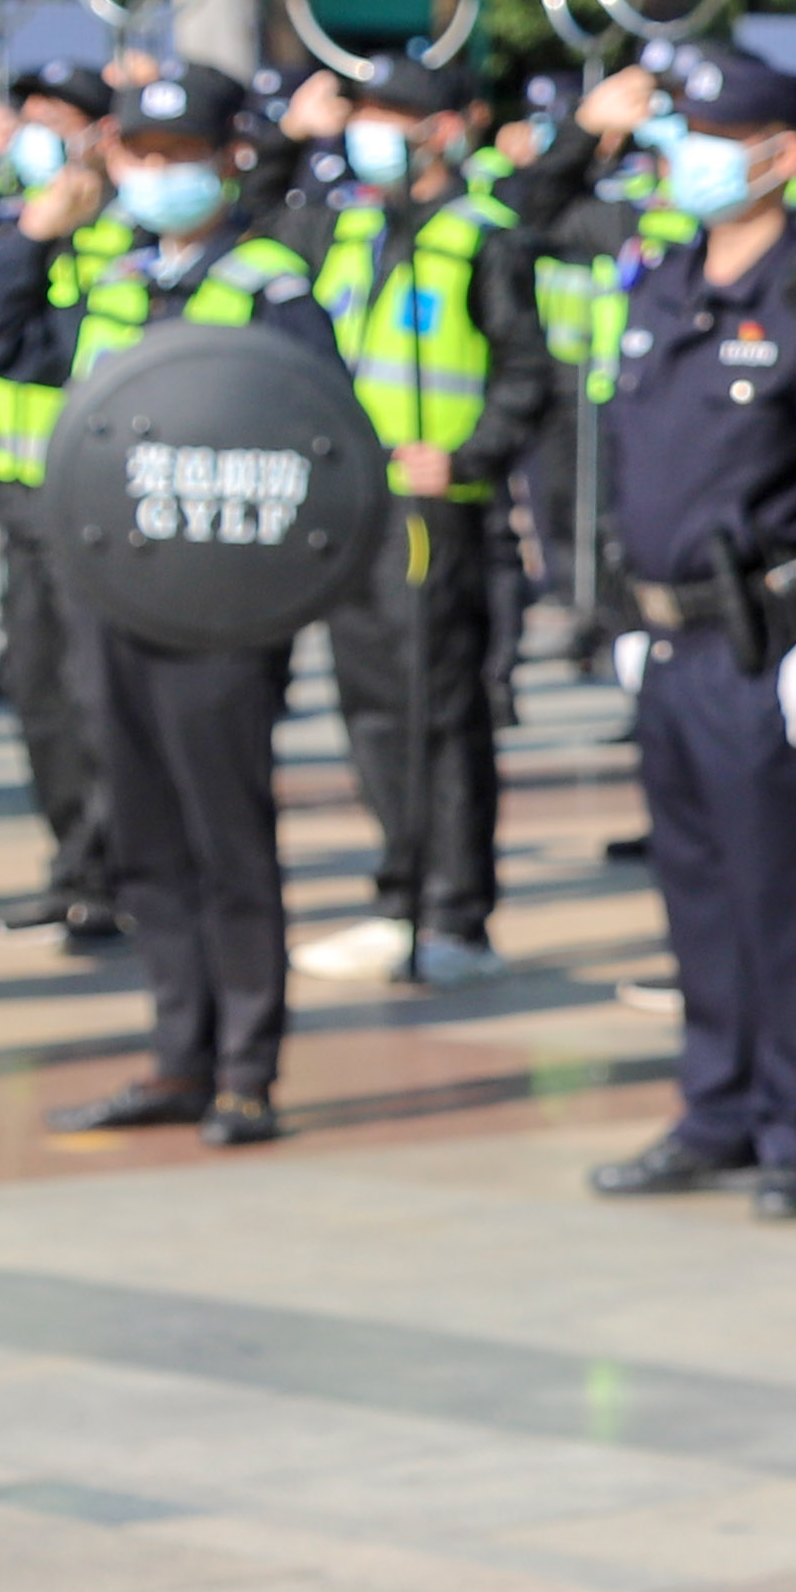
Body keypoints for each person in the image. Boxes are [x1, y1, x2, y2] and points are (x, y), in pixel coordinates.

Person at [579, 53, 796, 1217]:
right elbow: (626, 464)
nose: (695, 158)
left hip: (770, 641)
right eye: (687, 134)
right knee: (699, 889)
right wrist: (621, 612)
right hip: (671, 637)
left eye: (721, 137)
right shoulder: (663, 280)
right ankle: (715, 1109)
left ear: (784, 155)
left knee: (788, 894)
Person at [0, 66, 338, 1139]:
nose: (159, 174)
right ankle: (178, 1055)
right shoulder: (111, 278)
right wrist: (31, 236)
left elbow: (324, 440)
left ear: (228, 160)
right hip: (113, 596)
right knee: (142, 834)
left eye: (181, 156)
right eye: (141, 154)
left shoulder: (272, 286)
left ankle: (246, 1070)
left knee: (227, 835)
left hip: (222, 611)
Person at [291, 55, 551, 987]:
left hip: (435, 513)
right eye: (364, 113)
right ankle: (398, 891)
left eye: (395, 116)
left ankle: (454, 911)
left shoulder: (482, 237)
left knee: (437, 713)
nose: (373, 131)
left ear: (445, 130)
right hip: (354, 506)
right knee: (370, 708)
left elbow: (528, 372)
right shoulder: (348, 227)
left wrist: (470, 455)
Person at [0, 61, 128, 945]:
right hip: (22, 499)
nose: (35, 130)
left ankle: (113, 871)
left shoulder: (126, 241)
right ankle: (74, 868)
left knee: (100, 695)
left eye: (57, 116)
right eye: (28, 113)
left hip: (100, 503)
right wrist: (32, 237)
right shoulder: (14, 228)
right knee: (40, 696)